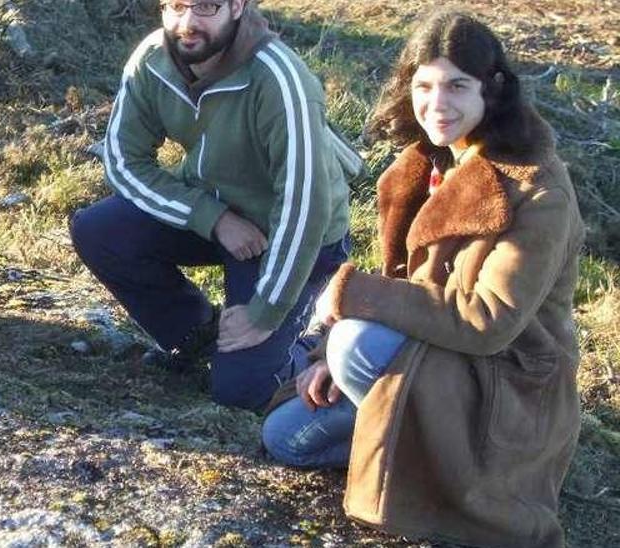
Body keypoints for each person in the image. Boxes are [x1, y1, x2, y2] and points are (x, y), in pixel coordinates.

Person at [261, 11, 584, 546]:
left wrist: (350, 299)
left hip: (505, 385)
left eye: (458, 86)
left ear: (493, 90)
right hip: (431, 355)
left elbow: (487, 320)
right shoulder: (424, 165)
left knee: (355, 339)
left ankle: (455, 481)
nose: (438, 104)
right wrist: (327, 361)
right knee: (288, 437)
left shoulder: (538, 190)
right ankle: (407, 447)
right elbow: (407, 289)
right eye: (424, 86)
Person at [70, 0, 361, 410]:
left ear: (237, 6)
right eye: (175, 6)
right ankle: (198, 335)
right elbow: (123, 162)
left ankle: (317, 345)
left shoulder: (278, 77)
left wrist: (265, 312)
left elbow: (305, 205)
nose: (188, 22)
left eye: (206, 6)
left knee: (244, 392)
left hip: (290, 235)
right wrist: (211, 217)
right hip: (218, 212)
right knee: (99, 230)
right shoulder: (152, 60)